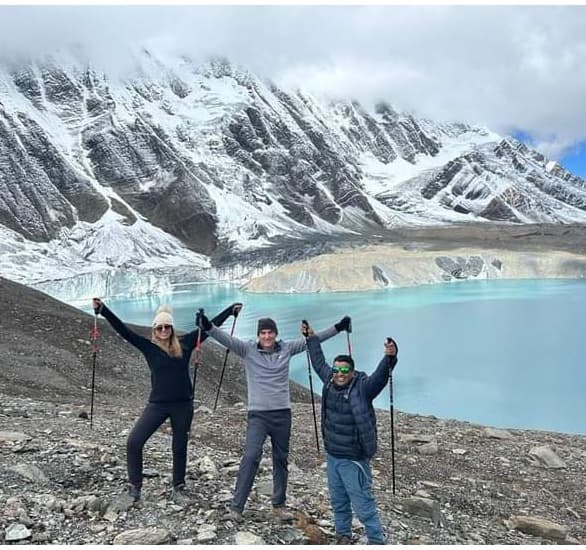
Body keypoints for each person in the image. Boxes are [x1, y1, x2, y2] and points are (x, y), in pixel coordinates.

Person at [197, 312, 352, 521]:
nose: (267, 336)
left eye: (270, 332)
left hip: (282, 415)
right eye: (263, 333)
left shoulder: (286, 348)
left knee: (280, 459)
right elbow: (226, 339)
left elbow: (312, 341)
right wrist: (208, 326)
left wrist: (338, 326)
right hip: (258, 415)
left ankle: (278, 506)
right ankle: (236, 508)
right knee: (251, 456)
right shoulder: (248, 349)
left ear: (276, 334)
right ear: (258, 335)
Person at [92, 298, 242, 504]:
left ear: (171, 328)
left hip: (183, 405)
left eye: (167, 327)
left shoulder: (186, 343)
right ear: (155, 330)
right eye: (160, 327)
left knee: (179, 447)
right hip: (158, 405)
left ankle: (178, 488)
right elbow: (124, 331)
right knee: (134, 442)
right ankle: (134, 487)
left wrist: (229, 310)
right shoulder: (148, 347)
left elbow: (207, 329)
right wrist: (104, 310)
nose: (164, 330)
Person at [304, 320, 398, 545]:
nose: (339, 373)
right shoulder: (329, 381)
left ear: (352, 371)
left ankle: (376, 541)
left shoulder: (362, 388)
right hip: (333, 456)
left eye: (344, 370)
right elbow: (318, 362)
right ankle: (343, 535)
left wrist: (390, 358)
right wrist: (311, 339)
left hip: (353, 459)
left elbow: (380, 377)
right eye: (336, 369)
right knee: (338, 501)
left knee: (363, 504)